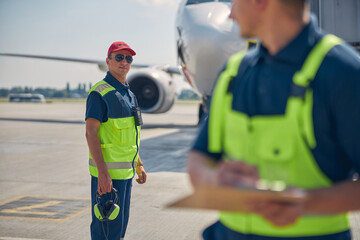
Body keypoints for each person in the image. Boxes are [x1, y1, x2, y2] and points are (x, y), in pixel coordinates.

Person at [187, 0, 360, 239]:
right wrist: (211, 180)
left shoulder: (343, 72)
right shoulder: (233, 73)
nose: (230, 13)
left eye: (235, 1)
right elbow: (199, 156)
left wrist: (306, 204)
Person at [85, 41, 147, 240]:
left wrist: (139, 164)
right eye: (119, 57)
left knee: (118, 231)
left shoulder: (128, 94)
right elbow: (90, 133)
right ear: (108, 61)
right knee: (105, 231)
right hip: (108, 178)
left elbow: (130, 136)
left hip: (126, 175)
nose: (124, 62)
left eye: (128, 58)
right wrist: (103, 174)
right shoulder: (99, 93)